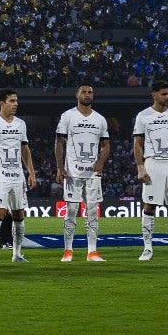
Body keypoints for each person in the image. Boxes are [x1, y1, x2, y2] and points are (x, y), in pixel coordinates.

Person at [0, 88, 37, 263]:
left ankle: (17, 254)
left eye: (16, 101)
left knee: (19, 215)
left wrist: (31, 172)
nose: (16, 104)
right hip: (0, 177)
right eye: (12, 101)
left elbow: (25, 150)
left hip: (18, 178)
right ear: (2, 103)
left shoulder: (21, 124)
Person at [133, 80, 168, 261]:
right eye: (164, 94)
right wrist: (140, 168)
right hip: (152, 164)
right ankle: (148, 248)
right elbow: (137, 143)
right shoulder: (143, 116)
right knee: (149, 206)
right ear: (154, 95)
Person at [55, 83, 110, 262]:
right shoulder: (68, 116)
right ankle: (68, 250)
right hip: (72, 172)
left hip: (93, 173)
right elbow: (59, 142)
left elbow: (106, 145)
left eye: (90, 92)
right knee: (71, 210)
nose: (87, 95)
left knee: (93, 211)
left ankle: (92, 251)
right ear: (76, 95)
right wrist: (59, 167)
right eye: (84, 92)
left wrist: (101, 163)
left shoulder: (100, 119)